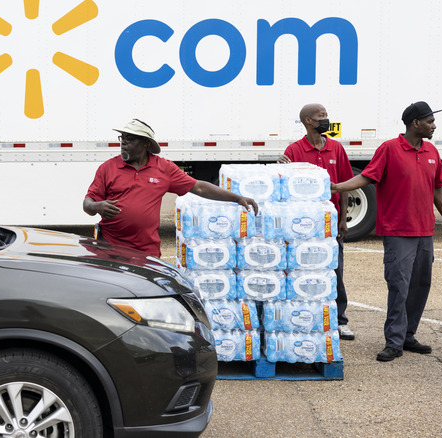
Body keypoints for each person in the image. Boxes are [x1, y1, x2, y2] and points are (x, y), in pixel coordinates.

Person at [332, 101, 442, 362]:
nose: (434, 126)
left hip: (424, 232)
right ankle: (394, 341)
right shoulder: (389, 149)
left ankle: (408, 335)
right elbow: (367, 177)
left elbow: (438, 189)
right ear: (415, 123)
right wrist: (338, 187)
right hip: (398, 232)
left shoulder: (431, 151)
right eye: (429, 121)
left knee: (420, 285)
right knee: (399, 286)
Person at [83, 118, 258, 258]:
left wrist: (236, 198)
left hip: (145, 252)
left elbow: (199, 187)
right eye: (122, 138)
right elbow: (87, 204)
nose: (123, 143)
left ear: (145, 144)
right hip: (110, 248)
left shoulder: (163, 168)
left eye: (130, 139)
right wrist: (96, 206)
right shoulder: (108, 168)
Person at [278, 103, 356, 341]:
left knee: (335, 270)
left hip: (330, 223)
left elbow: (344, 186)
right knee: (304, 270)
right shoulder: (293, 150)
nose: (326, 120)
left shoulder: (336, 148)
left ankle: (340, 320)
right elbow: (285, 188)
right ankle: (309, 316)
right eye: (321, 116)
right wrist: (282, 169)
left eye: (326, 115)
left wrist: (343, 219)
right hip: (304, 224)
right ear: (308, 121)